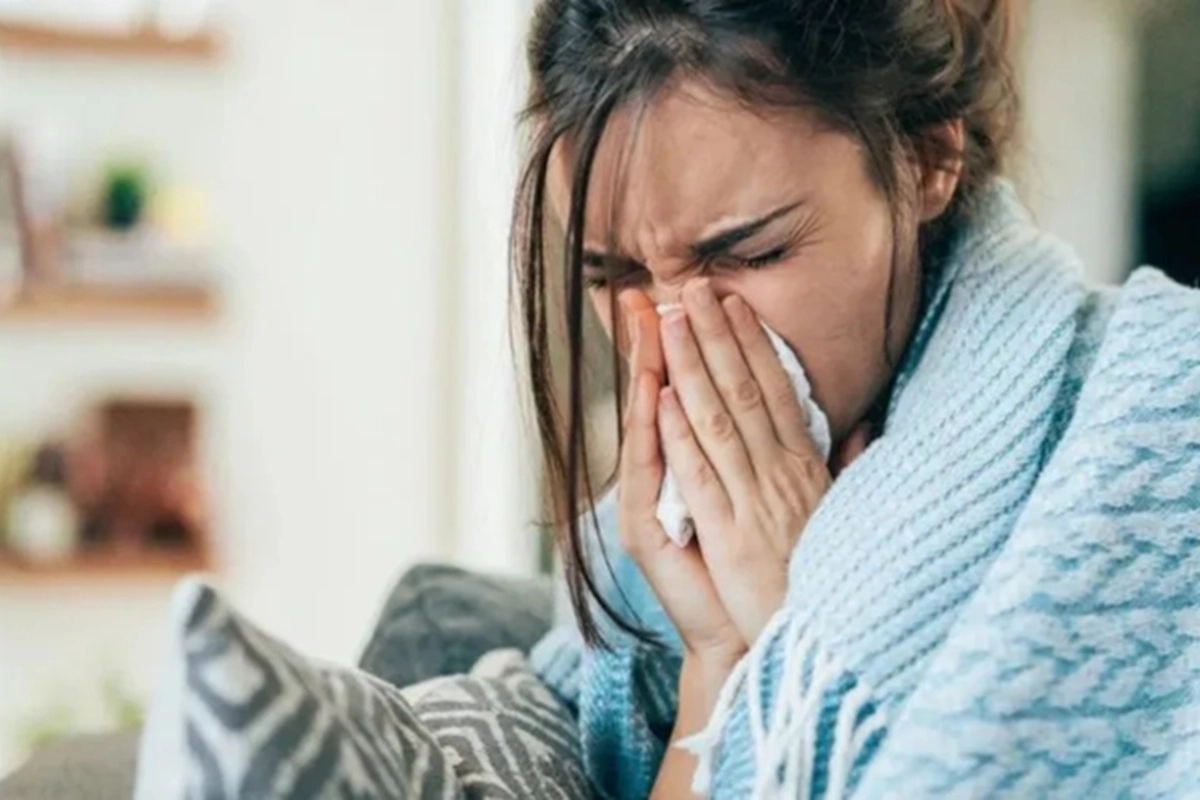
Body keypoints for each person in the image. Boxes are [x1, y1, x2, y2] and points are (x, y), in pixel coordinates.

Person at [513, 1, 1200, 797]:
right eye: (615, 276)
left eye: (752, 253)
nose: (675, 337)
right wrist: (723, 658)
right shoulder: (633, 562)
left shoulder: (1160, 423)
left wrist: (808, 621)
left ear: (928, 158)